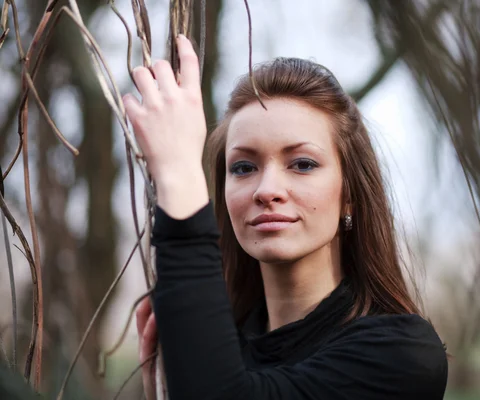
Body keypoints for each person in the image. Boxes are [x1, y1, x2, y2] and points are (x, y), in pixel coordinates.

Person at [125, 34, 448, 400]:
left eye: (303, 164)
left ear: (350, 196)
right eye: (244, 167)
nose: (267, 189)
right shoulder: (214, 344)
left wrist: (179, 172)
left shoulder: (401, 356)